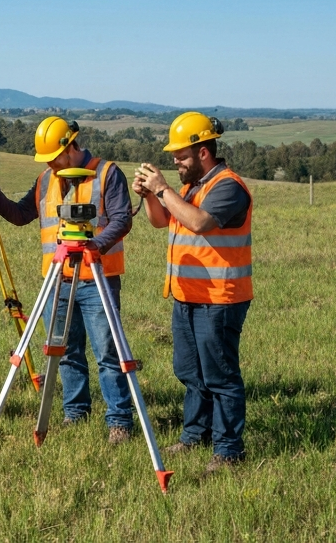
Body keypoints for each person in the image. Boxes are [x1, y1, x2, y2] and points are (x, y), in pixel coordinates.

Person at [0, 116, 137, 443]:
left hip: (98, 279)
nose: (50, 164)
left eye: (53, 157)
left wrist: (93, 245)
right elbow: (22, 214)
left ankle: (119, 420)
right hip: (57, 282)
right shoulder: (45, 179)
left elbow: (123, 220)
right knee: (65, 351)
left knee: (108, 353)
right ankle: (75, 412)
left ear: (70, 148)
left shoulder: (107, 173)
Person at [131, 112, 253, 474]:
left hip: (220, 298)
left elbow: (199, 223)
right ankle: (195, 434)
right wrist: (153, 196)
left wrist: (162, 189)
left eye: (181, 155)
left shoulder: (229, 187)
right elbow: (161, 220)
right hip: (186, 296)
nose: (175, 161)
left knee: (220, 375)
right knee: (189, 371)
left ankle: (229, 450)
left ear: (203, 152)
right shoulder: (190, 188)